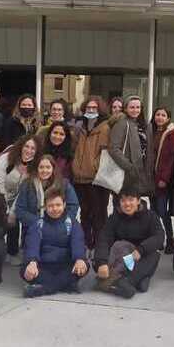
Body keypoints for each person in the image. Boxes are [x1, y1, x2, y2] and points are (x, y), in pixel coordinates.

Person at [94, 190, 165, 298]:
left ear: (138, 201)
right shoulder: (114, 218)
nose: (127, 204)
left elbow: (159, 236)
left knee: (154, 255)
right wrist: (101, 262)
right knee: (105, 256)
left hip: (140, 256)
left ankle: (126, 281)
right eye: (123, 200)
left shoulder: (150, 216)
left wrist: (141, 249)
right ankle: (140, 280)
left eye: (131, 200)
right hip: (121, 257)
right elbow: (103, 239)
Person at [21, 187, 89, 297]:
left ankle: (42, 289)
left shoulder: (72, 223)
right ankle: (66, 285)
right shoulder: (38, 224)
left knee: (83, 266)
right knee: (25, 270)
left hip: (65, 266)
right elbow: (32, 245)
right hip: (43, 266)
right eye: (51, 206)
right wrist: (32, 262)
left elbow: (78, 242)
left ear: (64, 205)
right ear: (45, 207)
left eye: (58, 205)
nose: (55, 209)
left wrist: (79, 258)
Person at [14, 155, 80, 264]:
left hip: (60, 227)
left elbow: (73, 206)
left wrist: (60, 222)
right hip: (35, 228)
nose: (44, 170)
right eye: (41, 167)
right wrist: (39, 223)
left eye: (48, 167)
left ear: (53, 168)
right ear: (36, 168)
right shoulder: (27, 184)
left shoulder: (64, 184)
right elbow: (20, 209)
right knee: (32, 262)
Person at [71, 96, 112, 251]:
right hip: (79, 178)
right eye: (88, 107)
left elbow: (105, 152)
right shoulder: (79, 127)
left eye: (94, 108)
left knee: (98, 215)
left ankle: (99, 247)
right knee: (84, 213)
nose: (91, 110)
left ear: (100, 109)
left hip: (96, 179)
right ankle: (87, 244)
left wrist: (95, 167)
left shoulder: (105, 128)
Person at [0, 134, 41, 262]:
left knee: (13, 220)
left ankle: (12, 252)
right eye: (26, 146)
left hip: (16, 198)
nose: (29, 151)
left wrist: (12, 211)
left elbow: (23, 191)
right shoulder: (6, 159)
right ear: (20, 146)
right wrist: (5, 207)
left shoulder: (34, 167)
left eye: (33, 148)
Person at [108, 96, 153, 196]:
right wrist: (129, 167)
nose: (135, 110)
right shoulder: (121, 123)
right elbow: (113, 148)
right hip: (126, 172)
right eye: (132, 107)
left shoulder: (145, 125)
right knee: (123, 201)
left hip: (142, 171)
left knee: (136, 202)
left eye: (138, 107)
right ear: (125, 109)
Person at [150, 107, 174, 254]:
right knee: (154, 212)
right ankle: (158, 239)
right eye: (158, 114)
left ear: (168, 118)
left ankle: (170, 240)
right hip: (151, 178)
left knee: (163, 211)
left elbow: (170, 159)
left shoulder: (172, 134)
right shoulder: (152, 131)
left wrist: (164, 178)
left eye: (163, 115)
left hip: (163, 180)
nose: (160, 117)